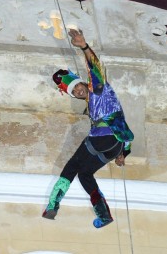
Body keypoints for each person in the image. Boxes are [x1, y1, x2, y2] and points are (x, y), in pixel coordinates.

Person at [42, 29, 134, 228]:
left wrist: (84, 46)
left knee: (71, 167)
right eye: (73, 91)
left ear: (84, 82)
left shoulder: (98, 90)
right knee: (84, 175)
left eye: (77, 85)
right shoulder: (92, 104)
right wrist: (124, 153)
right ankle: (103, 214)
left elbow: (96, 68)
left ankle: (53, 204)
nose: (77, 90)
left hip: (102, 139)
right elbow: (123, 123)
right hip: (114, 147)